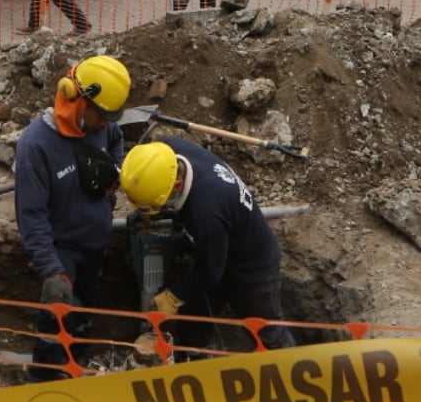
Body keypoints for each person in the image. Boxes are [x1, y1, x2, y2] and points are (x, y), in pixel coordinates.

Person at [118, 138, 296, 359]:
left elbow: (210, 271)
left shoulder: (207, 212)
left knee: (267, 335)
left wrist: (174, 296)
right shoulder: (169, 153)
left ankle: (291, 371)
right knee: (193, 320)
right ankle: (192, 360)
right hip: (217, 251)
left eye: (155, 205)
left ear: (176, 185)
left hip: (252, 270)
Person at [14, 55, 131, 381]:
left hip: (94, 245)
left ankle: (77, 366)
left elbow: (116, 138)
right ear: (77, 100)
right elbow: (31, 216)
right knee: (57, 320)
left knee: (84, 315)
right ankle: (46, 379)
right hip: (62, 251)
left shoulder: (100, 128)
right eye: (101, 116)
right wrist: (51, 271)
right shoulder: (36, 146)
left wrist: (114, 173)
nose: (105, 124)